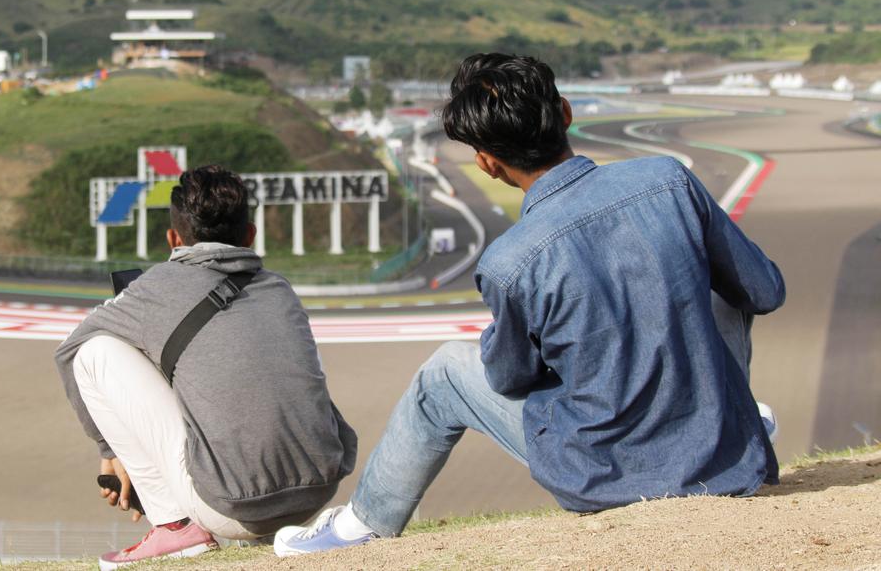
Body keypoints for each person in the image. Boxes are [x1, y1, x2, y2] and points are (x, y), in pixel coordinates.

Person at [274, 53, 785, 556]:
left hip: (602, 477)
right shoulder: (670, 180)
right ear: (565, 112)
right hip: (723, 458)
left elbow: (510, 378)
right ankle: (732, 424)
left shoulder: (509, 261)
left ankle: (362, 524)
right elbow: (764, 291)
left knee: (445, 373)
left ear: (487, 163)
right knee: (716, 281)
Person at [55, 165, 356, 569]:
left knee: (94, 354)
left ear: (173, 240)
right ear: (250, 235)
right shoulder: (280, 288)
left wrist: (111, 453)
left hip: (232, 509)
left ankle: (176, 530)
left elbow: (69, 351)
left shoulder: (157, 287)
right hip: (318, 492)